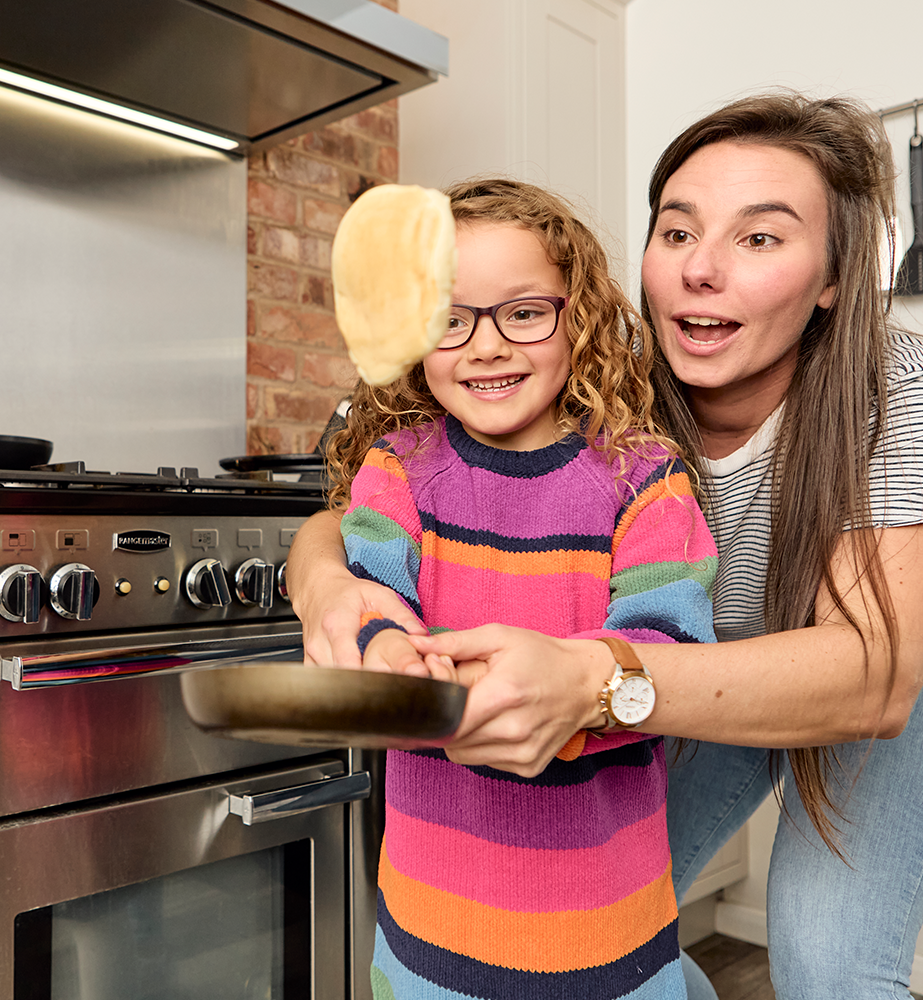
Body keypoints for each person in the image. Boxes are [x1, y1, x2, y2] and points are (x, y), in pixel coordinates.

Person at [287, 93, 923, 1000]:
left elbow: (873, 678)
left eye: (760, 238)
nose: (701, 270)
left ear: (833, 276)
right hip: (703, 661)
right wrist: (323, 587)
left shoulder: (907, 388)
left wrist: (589, 683)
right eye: (677, 231)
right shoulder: (598, 376)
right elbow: (355, 500)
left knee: (828, 961)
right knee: (602, 902)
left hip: (911, 670)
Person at [328, 177, 718, 1000]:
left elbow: (669, 658)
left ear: (575, 317)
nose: (487, 346)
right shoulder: (396, 474)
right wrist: (392, 659)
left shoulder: (646, 482)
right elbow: (368, 604)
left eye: (524, 312)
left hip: (610, 943)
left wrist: (572, 693)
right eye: (450, 318)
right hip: (428, 941)